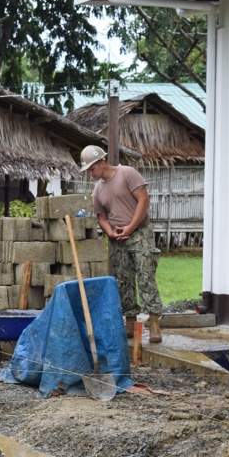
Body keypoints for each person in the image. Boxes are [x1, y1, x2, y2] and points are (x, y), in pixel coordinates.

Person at [80, 145, 163, 343]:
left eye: (92, 169)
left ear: (101, 162)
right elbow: (101, 217)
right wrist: (110, 231)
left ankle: (153, 322)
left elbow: (143, 201)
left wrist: (131, 227)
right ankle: (130, 321)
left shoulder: (127, 173)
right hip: (117, 237)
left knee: (145, 275)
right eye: (88, 171)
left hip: (139, 231)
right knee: (123, 279)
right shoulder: (98, 188)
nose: (90, 174)